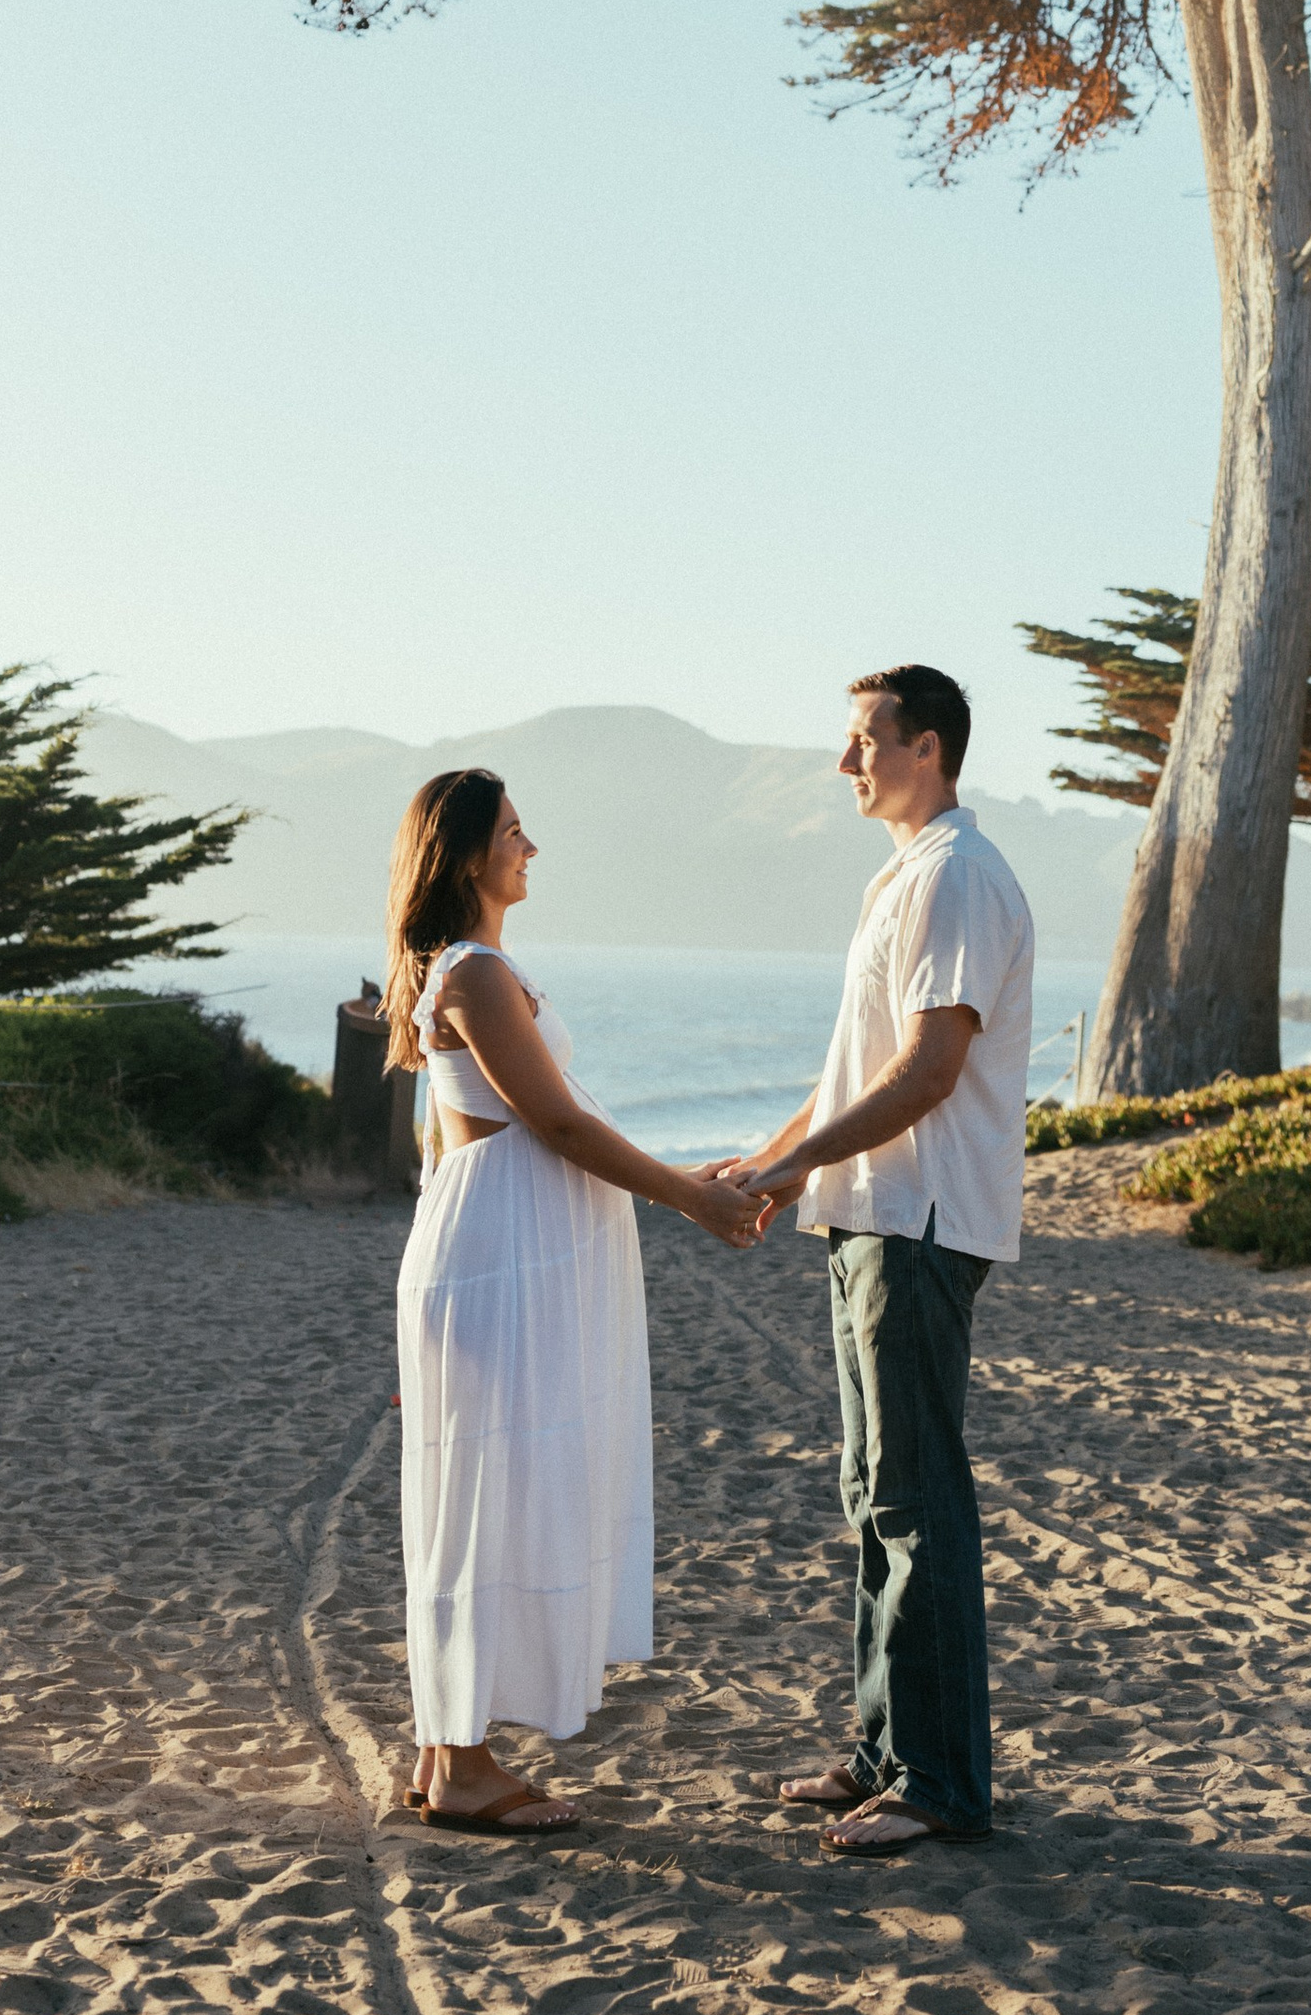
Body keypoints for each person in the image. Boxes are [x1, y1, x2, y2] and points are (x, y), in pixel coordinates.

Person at [385, 761, 762, 1836]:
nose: (529, 846)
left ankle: (444, 1752)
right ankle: (457, 1766)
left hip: (495, 1259)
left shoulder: (473, 971)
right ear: (465, 854)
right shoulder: (471, 974)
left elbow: (444, 1152)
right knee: (487, 1498)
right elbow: (555, 1125)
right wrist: (691, 1197)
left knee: (487, 1493)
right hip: (501, 1267)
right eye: (511, 830)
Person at [716, 663, 1034, 1859]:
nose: (844, 762)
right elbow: (854, 1074)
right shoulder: (905, 875)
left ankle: (939, 1781)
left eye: (863, 740)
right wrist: (769, 1162)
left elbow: (926, 1073)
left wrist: (792, 1172)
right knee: (874, 1494)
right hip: (871, 1214)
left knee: (915, 1501)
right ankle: (883, 1749)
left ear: (929, 747)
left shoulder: (956, 875)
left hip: (921, 1222)